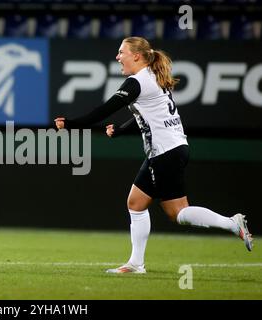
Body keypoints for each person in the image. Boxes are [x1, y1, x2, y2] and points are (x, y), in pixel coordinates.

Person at [54, 36, 253, 274]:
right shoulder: (153, 77)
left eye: (121, 52)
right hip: (175, 148)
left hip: (164, 152)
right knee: (136, 203)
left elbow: (105, 110)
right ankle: (136, 263)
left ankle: (232, 224)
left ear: (136, 56)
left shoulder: (136, 82)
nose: (118, 57)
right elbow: (147, 114)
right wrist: (120, 130)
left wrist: (72, 124)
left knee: (177, 212)